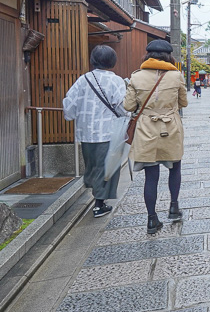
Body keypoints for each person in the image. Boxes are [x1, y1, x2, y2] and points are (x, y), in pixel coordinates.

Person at [124, 39, 188, 235]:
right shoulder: (176, 76)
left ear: (147, 55)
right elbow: (183, 102)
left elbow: (128, 106)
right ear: (169, 57)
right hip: (170, 127)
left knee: (151, 177)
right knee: (174, 167)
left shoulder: (136, 77)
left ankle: (152, 220)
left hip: (146, 129)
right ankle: (174, 207)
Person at [62, 45, 126, 218]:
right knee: (106, 168)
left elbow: (69, 105)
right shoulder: (116, 81)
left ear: (93, 60)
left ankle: (97, 196)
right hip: (108, 132)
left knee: (93, 166)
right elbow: (122, 107)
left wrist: (75, 115)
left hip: (86, 133)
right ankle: (99, 204)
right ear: (112, 61)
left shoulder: (82, 80)